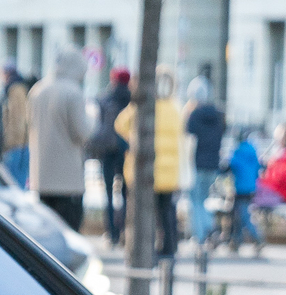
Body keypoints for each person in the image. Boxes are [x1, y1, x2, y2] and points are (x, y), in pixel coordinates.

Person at [115, 77, 182, 262]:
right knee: (166, 211)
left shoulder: (141, 107)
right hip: (169, 171)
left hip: (146, 167)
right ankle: (169, 249)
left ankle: (146, 250)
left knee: (145, 213)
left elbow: (120, 124)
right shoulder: (174, 108)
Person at [29, 49, 93, 232]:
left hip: (41, 177)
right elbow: (82, 132)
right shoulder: (73, 92)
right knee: (69, 234)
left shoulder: (37, 91)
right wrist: (93, 118)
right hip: (67, 179)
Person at [184, 77, 226, 259]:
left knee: (195, 200)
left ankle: (202, 235)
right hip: (213, 164)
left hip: (196, 162)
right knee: (204, 199)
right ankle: (209, 229)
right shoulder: (218, 116)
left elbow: (187, 137)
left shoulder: (193, 116)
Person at [90, 67, 133, 241]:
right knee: (126, 193)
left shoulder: (104, 98)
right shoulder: (134, 100)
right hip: (127, 150)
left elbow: (98, 125)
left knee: (108, 193)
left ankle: (112, 233)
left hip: (107, 149)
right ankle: (124, 230)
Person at [224, 129, 263, 250]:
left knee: (242, 214)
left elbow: (232, 166)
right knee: (241, 213)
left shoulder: (238, 152)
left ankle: (256, 237)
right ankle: (236, 240)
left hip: (240, 188)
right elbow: (258, 168)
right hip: (251, 187)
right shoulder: (252, 151)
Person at [2, 64, 34, 186]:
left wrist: (11, 143)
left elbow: (19, 120)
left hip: (17, 146)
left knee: (15, 184)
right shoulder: (15, 88)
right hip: (19, 145)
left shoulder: (15, 89)